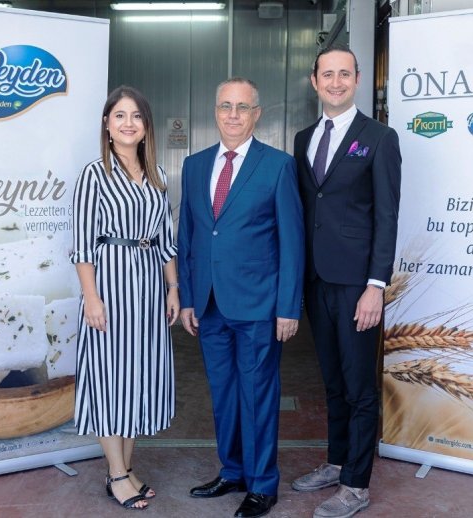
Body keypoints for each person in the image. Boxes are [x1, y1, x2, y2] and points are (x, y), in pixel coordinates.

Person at [178, 77, 304, 518]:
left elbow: (292, 243)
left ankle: (262, 484)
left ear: (256, 114)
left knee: (257, 395)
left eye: (242, 107)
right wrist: (188, 298)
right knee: (224, 394)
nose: (233, 115)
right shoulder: (194, 166)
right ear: (215, 111)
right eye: (225, 106)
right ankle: (232, 471)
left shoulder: (278, 166)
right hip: (209, 304)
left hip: (259, 306)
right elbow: (189, 236)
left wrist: (288, 307)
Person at [291, 45, 401, 517]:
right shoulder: (303, 139)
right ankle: (337, 462)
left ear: (357, 79)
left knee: (359, 386)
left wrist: (376, 285)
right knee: (332, 380)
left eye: (344, 74)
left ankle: (356, 485)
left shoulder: (379, 137)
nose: (335, 82)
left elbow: (387, 215)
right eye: (327, 75)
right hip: (316, 279)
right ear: (314, 82)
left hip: (358, 284)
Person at [70, 85, 179, 510]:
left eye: (136, 116)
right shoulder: (94, 175)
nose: (128, 123)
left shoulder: (158, 175)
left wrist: (173, 287)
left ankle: (127, 468)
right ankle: (116, 474)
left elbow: (165, 240)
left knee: (138, 379)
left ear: (146, 125)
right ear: (107, 124)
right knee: (109, 379)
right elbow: (82, 246)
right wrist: (92, 299)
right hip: (110, 289)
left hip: (148, 290)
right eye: (120, 115)